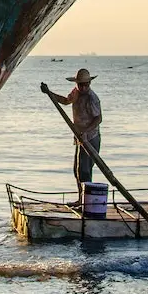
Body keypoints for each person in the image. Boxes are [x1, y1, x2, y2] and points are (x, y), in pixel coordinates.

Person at [40, 68, 102, 204]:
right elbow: (65, 101)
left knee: (85, 171)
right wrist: (49, 93)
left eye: (86, 84)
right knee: (77, 170)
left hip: (90, 137)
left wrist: (85, 132)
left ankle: (86, 202)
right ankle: (81, 199)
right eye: (81, 84)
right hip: (80, 137)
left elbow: (98, 119)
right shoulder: (76, 93)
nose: (84, 87)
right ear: (77, 84)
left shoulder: (92, 98)